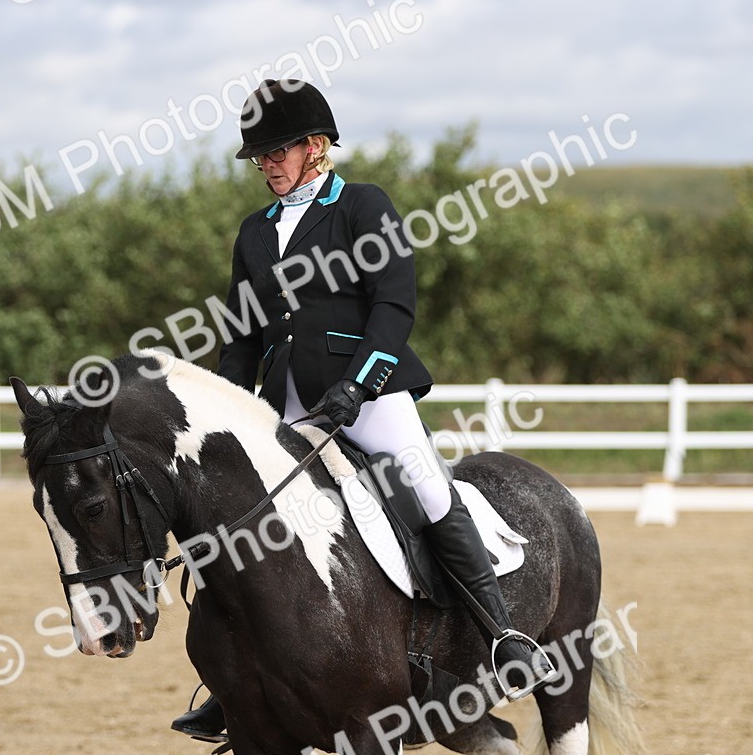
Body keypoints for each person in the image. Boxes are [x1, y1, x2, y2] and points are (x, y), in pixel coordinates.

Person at [170, 78, 555, 743]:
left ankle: (503, 635)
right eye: (259, 156)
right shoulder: (254, 233)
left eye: (277, 152)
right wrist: (227, 415)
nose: (267, 165)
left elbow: (393, 306)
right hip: (285, 403)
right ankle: (234, 680)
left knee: (427, 487)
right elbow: (242, 336)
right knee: (237, 515)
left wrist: (359, 384)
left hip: (368, 393)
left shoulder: (361, 207)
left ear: (315, 146)